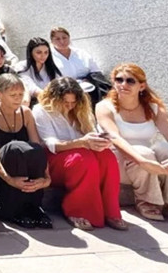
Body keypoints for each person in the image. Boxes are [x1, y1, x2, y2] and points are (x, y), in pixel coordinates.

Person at [96, 64, 168, 226]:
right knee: (143, 152)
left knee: (166, 148)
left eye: (130, 81)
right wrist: (143, 161)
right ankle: (147, 200)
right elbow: (115, 138)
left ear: (141, 86)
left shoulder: (154, 107)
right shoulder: (104, 107)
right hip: (119, 163)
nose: (123, 84)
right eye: (119, 80)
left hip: (149, 163)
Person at [32, 77, 126, 231]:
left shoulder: (81, 110)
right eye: (65, 102)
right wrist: (82, 142)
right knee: (83, 158)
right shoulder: (41, 111)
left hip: (80, 155)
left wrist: (101, 141)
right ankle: (77, 210)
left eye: (73, 102)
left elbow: (91, 135)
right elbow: (51, 145)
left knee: (107, 156)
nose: (69, 106)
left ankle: (111, 211)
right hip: (54, 159)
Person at [0, 74, 52, 228]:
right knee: (15, 148)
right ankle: (12, 208)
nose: (18, 99)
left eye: (20, 95)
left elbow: (36, 145)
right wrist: (9, 179)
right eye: (13, 95)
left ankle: (34, 207)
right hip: (0, 170)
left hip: (25, 168)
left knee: (34, 149)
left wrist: (46, 178)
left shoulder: (26, 112)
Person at [49, 26, 107, 102]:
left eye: (64, 38)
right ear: (52, 41)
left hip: (88, 90)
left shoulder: (81, 53)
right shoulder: (49, 57)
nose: (62, 41)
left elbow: (96, 71)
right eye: (57, 39)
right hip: (64, 93)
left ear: (69, 38)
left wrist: (89, 79)